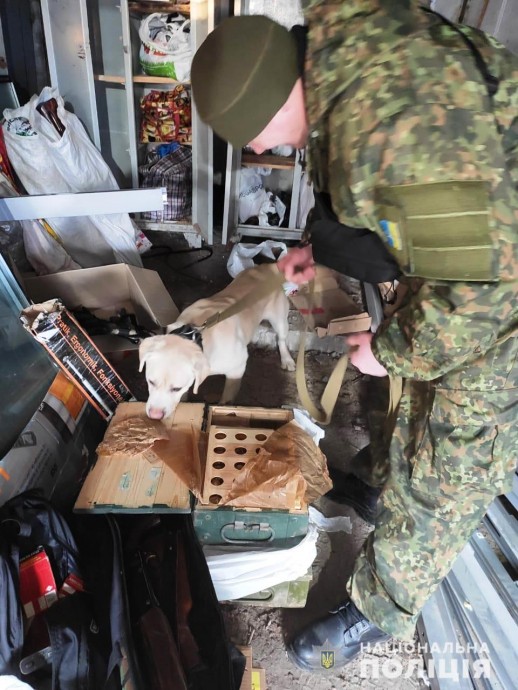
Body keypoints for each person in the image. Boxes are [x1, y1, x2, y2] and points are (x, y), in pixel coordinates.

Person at [191, 2, 518, 674]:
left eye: (258, 134)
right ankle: (380, 481)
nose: (263, 150)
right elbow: (387, 204)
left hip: (500, 292)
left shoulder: (396, 122)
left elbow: (480, 297)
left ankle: (379, 608)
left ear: (279, 95)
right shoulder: (335, 62)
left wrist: (391, 350)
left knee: (451, 460)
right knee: (401, 396)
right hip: (473, 253)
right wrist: (320, 250)